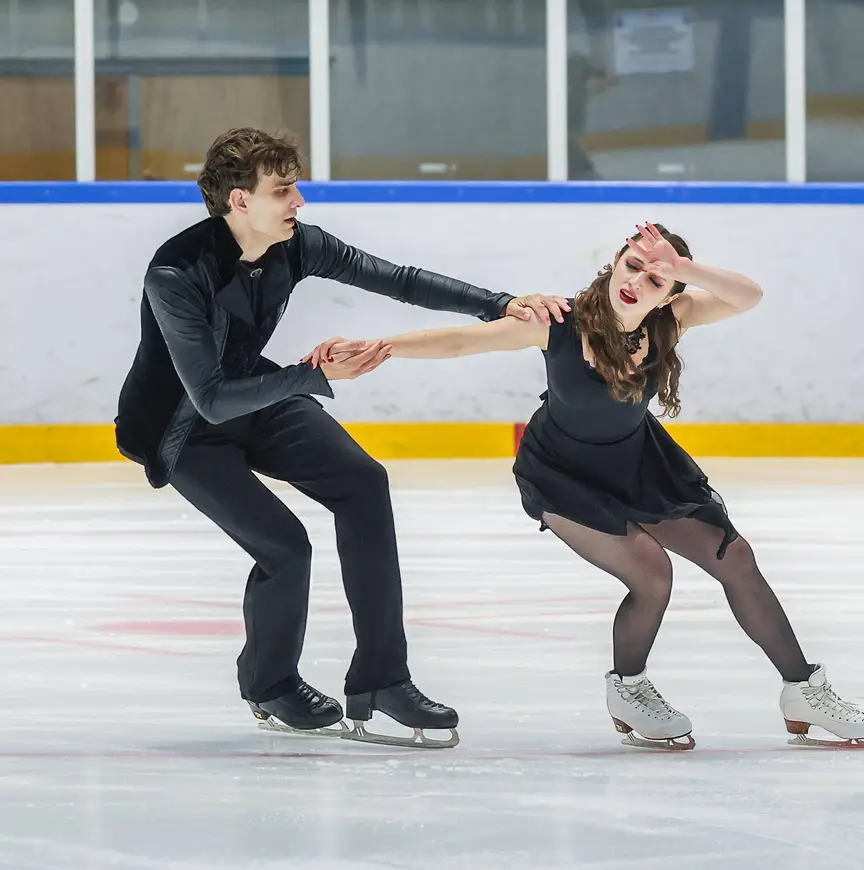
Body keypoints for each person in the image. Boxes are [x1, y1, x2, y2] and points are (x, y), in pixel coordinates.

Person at [326, 221, 864, 749]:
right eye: (632, 266)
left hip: (640, 465)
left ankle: (803, 691)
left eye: (655, 280)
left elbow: (749, 296)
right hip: (562, 475)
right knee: (653, 573)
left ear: (669, 293)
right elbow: (463, 342)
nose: (636, 282)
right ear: (614, 263)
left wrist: (682, 268)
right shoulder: (559, 321)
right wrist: (380, 346)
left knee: (736, 558)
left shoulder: (669, 321)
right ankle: (629, 689)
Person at [114, 127, 569, 748]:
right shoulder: (176, 272)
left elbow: (398, 279)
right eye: (283, 190)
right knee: (285, 547)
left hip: (254, 391)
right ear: (239, 201)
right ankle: (270, 683)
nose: (298, 201)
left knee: (363, 482)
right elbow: (210, 398)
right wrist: (315, 376)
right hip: (182, 428)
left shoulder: (296, 245)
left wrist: (501, 304)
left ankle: (383, 678)